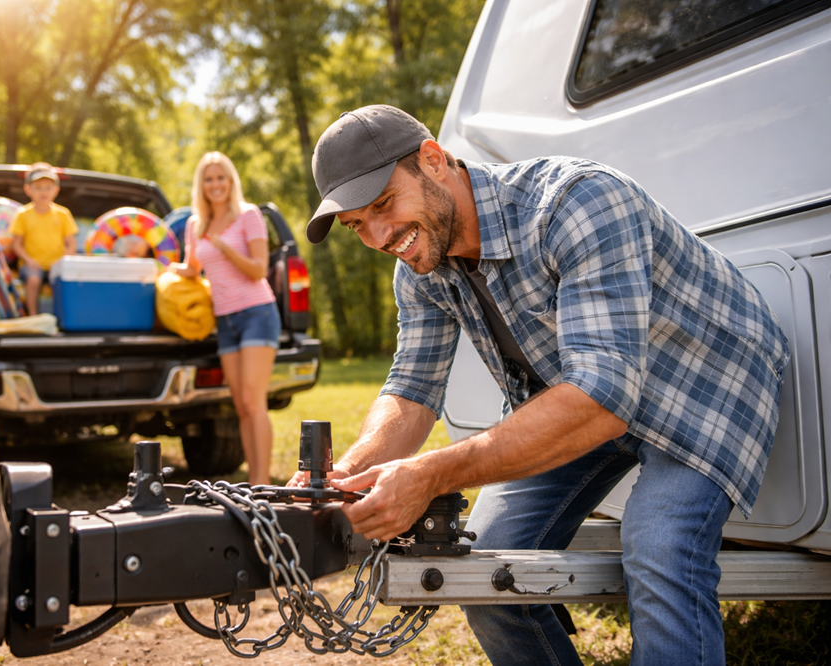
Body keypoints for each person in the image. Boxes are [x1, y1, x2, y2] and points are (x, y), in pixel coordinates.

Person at [291, 105, 790, 666]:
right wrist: (347, 476)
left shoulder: (577, 202)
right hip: (584, 395)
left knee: (660, 547)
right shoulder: (418, 266)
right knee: (481, 566)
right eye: (358, 225)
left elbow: (602, 400)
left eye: (383, 204)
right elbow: (411, 388)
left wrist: (431, 473)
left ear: (433, 161)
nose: (380, 235)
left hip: (706, 378)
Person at [170, 152, 279, 485]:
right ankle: (253, 483)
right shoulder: (195, 224)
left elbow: (259, 269)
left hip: (257, 314)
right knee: (240, 405)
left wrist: (225, 248)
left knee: (252, 400)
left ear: (231, 181)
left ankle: (261, 486)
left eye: (221, 177)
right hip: (225, 321)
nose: (215, 184)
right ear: (201, 185)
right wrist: (159, 268)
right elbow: (192, 269)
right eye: (208, 178)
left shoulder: (248, 216)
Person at [11, 163, 78, 315]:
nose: (43, 192)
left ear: (56, 191)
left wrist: (62, 262)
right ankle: (33, 316)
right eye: (38, 187)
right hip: (32, 264)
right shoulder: (22, 214)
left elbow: (71, 243)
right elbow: (17, 245)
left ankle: (64, 318)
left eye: (48, 188)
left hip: (57, 264)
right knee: (34, 280)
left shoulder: (63, 214)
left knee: (66, 281)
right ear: (28, 190)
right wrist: (29, 261)